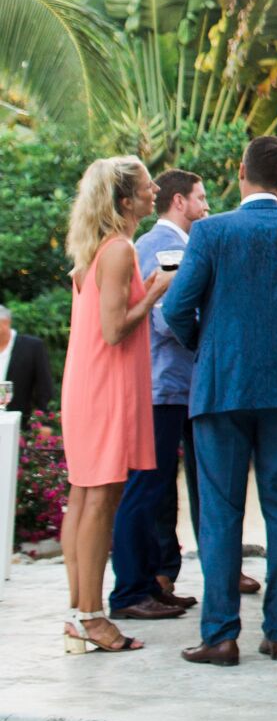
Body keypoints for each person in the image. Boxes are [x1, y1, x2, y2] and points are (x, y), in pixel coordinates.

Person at [163, 135, 277, 666]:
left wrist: (210, 344)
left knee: (220, 512)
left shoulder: (212, 231)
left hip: (223, 384)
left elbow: (177, 307)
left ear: (242, 173)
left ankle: (221, 635)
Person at [58, 156, 170, 655]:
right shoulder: (120, 250)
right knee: (100, 501)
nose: (155, 192)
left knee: (84, 499)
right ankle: (91, 616)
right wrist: (156, 293)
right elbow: (113, 329)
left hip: (86, 383)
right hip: (106, 386)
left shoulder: (91, 250)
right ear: (126, 200)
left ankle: (79, 613)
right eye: (148, 187)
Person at [107, 169, 208, 622]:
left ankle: (150, 582)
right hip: (164, 385)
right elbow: (169, 318)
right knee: (146, 488)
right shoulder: (165, 245)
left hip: (173, 386)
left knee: (159, 488)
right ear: (180, 202)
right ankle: (130, 589)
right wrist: (214, 338)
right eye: (201, 198)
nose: (206, 206)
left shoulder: (172, 244)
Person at [0, 303, 57, 418]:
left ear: (6, 322)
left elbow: (44, 385)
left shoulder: (31, 347)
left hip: (19, 422)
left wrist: (45, 420)